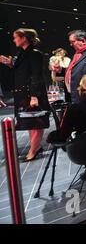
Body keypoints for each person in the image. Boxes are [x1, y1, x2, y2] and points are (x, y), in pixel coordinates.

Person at [0, 28, 50, 161]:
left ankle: (33, 150)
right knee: (29, 122)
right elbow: (21, 72)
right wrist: (10, 64)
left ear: (24, 38)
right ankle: (36, 146)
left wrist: (34, 96)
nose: (14, 40)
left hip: (32, 93)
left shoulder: (34, 54)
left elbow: (36, 76)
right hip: (23, 93)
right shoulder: (21, 53)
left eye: (16, 37)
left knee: (36, 121)